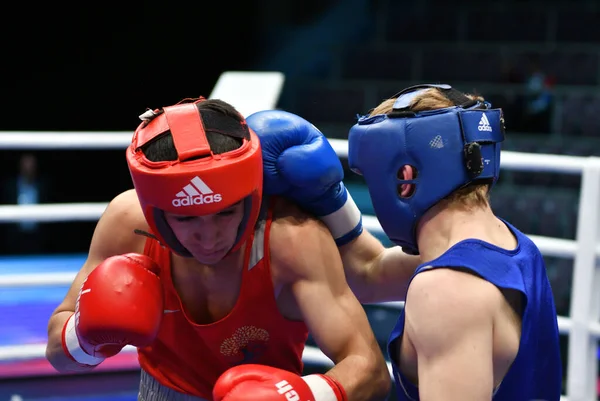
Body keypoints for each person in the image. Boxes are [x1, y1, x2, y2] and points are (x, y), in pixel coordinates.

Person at [45, 97, 392, 401]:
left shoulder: (291, 240)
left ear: (251, 197)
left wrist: (298, 395)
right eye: (187, 219)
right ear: (155, 211)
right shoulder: (127, 223)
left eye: (226, 213)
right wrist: (85, 337)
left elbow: (370, 369)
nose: (209, 238)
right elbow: (57, 354)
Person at [247, 83, 562, 401]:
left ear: (405, 178)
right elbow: (368, 274)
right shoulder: (511, 248)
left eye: (370, 178)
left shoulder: (447, 290)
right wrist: (328, 198)